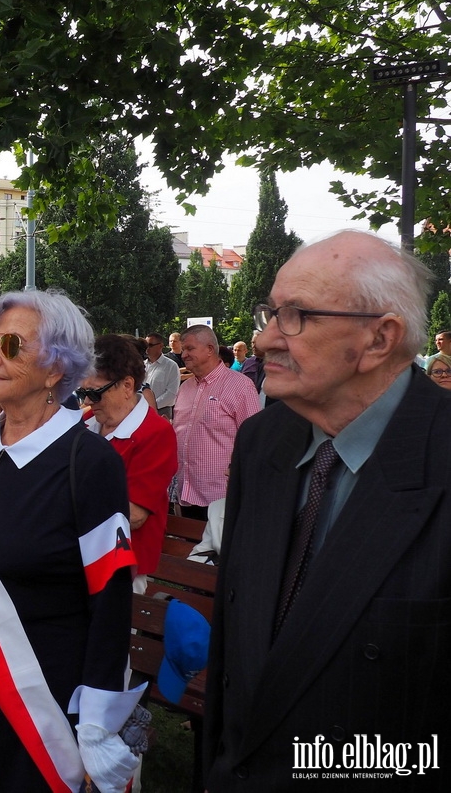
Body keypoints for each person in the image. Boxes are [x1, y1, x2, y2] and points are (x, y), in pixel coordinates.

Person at [204, 230, 451, 790]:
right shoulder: (263, 441)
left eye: (295, 317)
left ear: (379, 339)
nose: (265, 337)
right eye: (270, 311)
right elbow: (235, 650)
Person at [0, 290, 142, 793]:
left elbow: (111, 602)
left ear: (55, 371)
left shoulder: (91, 465)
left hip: (50, 702)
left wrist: (96, 722)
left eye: (12, 344)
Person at [83, 333, 178, 588]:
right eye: (83, 391)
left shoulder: (155, 433)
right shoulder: (86, 423)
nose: (87, 401)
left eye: (95, 393)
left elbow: (134, 515)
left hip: (124, 569)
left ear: (127, 386)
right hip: (79, 558)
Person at [172, 325, 259, 520]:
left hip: (221, 498)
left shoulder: (240, 386)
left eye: (189, 348)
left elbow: (254, 442)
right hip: (185, 493)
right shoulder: (185, 387)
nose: (184, 354)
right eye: (183, 349)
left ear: (210, 349)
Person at [143, 331, 180, 420]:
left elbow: (171, 393)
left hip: (162, 411)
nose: (147, 348)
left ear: (160, 346)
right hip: (142, 410)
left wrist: (151, 405)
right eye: (145, 345)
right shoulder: (142, 365)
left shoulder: (171, 366)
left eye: (150, 345)